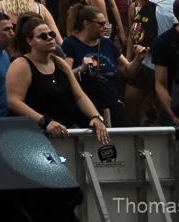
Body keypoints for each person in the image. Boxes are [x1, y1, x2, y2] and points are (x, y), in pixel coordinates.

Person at [6, 14, 111, 144]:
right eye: (43, 36)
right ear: (30, 41)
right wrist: (44, 122)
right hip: (33, 137)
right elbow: (14, 102)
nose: (50, 38)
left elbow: (79, 96)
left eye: (51, 34)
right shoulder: (21, 65)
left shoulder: (59, 63)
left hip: (62, 134)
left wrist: (95, 117)